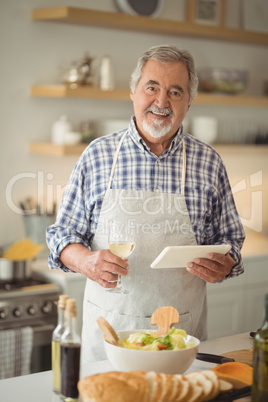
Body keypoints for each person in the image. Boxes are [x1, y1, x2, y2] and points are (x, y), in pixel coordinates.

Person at [46, 44, 245, 364]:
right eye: (151, 87)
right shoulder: (97, 156)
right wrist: (85, 261)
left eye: (176, 92)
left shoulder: (208, 162)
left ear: (189, 102)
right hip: (109, 341)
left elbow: (231, 241)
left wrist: (225, 264)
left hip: (181, 342)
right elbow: (61, 236)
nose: (161, 102)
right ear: (133, 91)